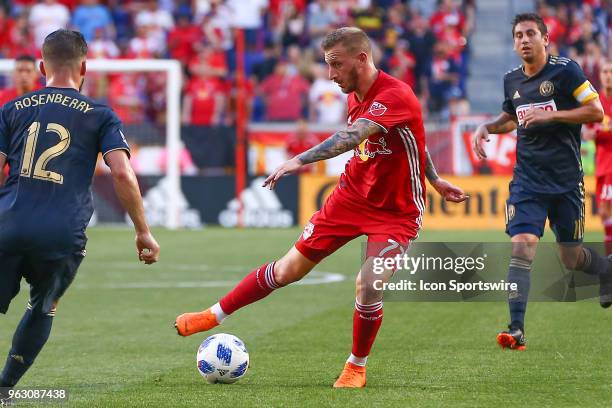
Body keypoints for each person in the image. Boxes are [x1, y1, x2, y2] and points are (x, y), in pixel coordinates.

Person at [176, 27, 467, 388]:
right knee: (286, 271)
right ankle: (213, 315)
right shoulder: (354, 93)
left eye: (336, 64)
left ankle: (356, 366)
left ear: (361, 58)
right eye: (328, 65)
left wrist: (299, 159)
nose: (330, 74)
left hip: (396, 211)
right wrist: (436, 179)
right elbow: (415, 139)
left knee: (369, 284)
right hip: (350, 198)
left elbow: (352, 137)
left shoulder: (394, 95)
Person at [0, 29, 160, 391]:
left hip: (8, 221)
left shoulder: (11, 109)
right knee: (43, 306)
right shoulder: (99, 113)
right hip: (62, 231)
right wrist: (142, 230)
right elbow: (121, 172)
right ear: (84, 66)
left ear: (41, 66)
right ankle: (5, 388)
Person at [472, 13, 611, 351]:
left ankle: (607, 270)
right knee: (521, 246)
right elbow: (511, 117)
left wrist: (553, 115)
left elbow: (596, 112)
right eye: (518, 34)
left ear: (545, 39)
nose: (524, 40)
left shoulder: (566, 71)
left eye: (531, 33)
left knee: (571, 259)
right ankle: (516, 329)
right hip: (527, 183)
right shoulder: (511, 79)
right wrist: (487, 127)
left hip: (566, 183)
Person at [584, 61, 612, 257]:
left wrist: (600, 132)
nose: (608, 75)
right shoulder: (597, 103)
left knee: (605, 210)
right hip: (601, 164)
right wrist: (592, 132)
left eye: (611, 71)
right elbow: (587, 131)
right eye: (605, 71)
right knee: (604, 212)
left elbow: (599, 132)